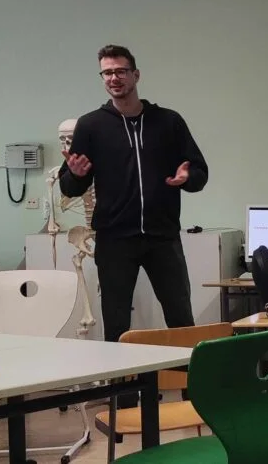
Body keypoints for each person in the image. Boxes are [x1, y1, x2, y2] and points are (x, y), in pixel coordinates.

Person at [59, 44, 208, 346]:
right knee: (117, 326)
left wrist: (187, 177)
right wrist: (74, 174)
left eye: (120, 71)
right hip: (114, 240)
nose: (114, 78)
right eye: (107, 73)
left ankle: (189, 390)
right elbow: (69, 187)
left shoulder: (168, 122)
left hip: (163, 237)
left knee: (181, 320)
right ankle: (123, 395)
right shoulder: (91, 125)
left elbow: (200, 173)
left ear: (135, 75)